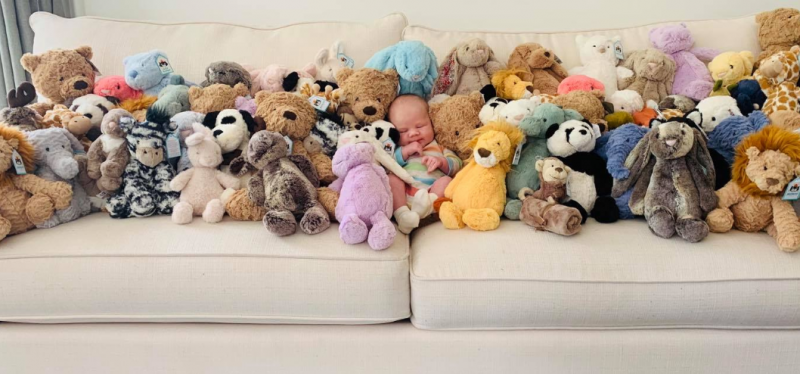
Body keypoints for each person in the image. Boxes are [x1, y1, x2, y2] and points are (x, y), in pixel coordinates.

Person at [388, 95, 462, 234]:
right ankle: (402, 214)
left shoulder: (439, 148)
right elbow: (388, 164)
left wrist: (441, 162)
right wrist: (404, 152)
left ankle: (425, 208)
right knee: (392, 178)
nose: (413, 133)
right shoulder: (399, 151)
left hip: (430, 195)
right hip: (404, 197)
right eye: (403, 131)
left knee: (447, 181)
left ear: (431, 122)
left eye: (420, 126)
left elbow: (457, 164)